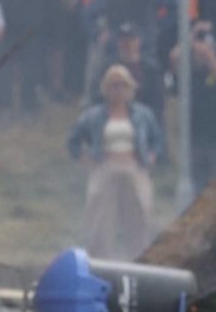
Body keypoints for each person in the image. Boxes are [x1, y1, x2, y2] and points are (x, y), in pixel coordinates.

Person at [67, 65, 164, 261]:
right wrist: (85, 159)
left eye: (122, 85)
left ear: (130, 88)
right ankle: (101, 261)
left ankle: (139, 259)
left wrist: (151, 157)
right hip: (105, 167)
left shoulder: (142, 114)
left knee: (139, 215)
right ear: (105, 88)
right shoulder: (94, 115)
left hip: (134, 166)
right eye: (113, 85)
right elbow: (73, 140)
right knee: (100, 219)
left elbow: (157, 139)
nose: (118, 90)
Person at [172, 19, 216, 195]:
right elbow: (174, 58)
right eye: (198, 53)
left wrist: (209, 56)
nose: (201, 54)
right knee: (196, 185)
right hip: (194, 138)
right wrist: (191, 37)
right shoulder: (187, 74)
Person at [88, 23, 166, 123]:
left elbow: (158, 101)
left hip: (144, 121)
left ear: (138, 41)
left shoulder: (151, 69)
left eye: (131, 39)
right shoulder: (108, 67)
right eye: (123, 40)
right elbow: (96, 95)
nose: (127, 44)